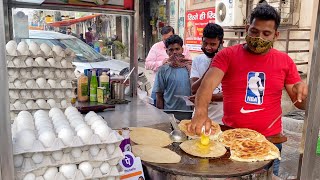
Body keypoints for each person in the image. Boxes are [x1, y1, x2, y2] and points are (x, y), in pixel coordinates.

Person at [189, 4, 308, 176]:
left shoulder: (285, 61)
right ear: (247, 29)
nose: (259, 37)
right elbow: (207, 85)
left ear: (276, 35)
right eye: (254, 31)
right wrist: (201, 111)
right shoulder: (227, 55)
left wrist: (303, 92)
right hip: (232, 138)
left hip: (270, 140)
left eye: (266, 34)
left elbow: (300, 105)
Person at [146, 26, 191, 104]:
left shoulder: (184, 49)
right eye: (165, 39)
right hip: (161, 85)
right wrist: (162, 63)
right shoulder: (156, 47)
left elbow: (189, 63)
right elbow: (147, 64)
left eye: (177, 49)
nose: (174, 52)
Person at [189, 23, 224, 124]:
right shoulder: (197, 60)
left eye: (213, 44)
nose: (208, 47)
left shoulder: (231, 61)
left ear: (221, 43)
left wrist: (204, 97)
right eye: (205, 43)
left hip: (221, 121)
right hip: (199, 119)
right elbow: (194, 89)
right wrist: (212, 67)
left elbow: (230, 94)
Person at [153, 35, 192, 110]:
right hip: (169, 114)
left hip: (189, 114)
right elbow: (159, 96)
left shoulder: (190, 67)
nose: (174, 52)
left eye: (177, 49)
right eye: (171, 50)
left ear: (182, 50)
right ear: (167, 51)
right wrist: (162, 116)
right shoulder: (163, 70)